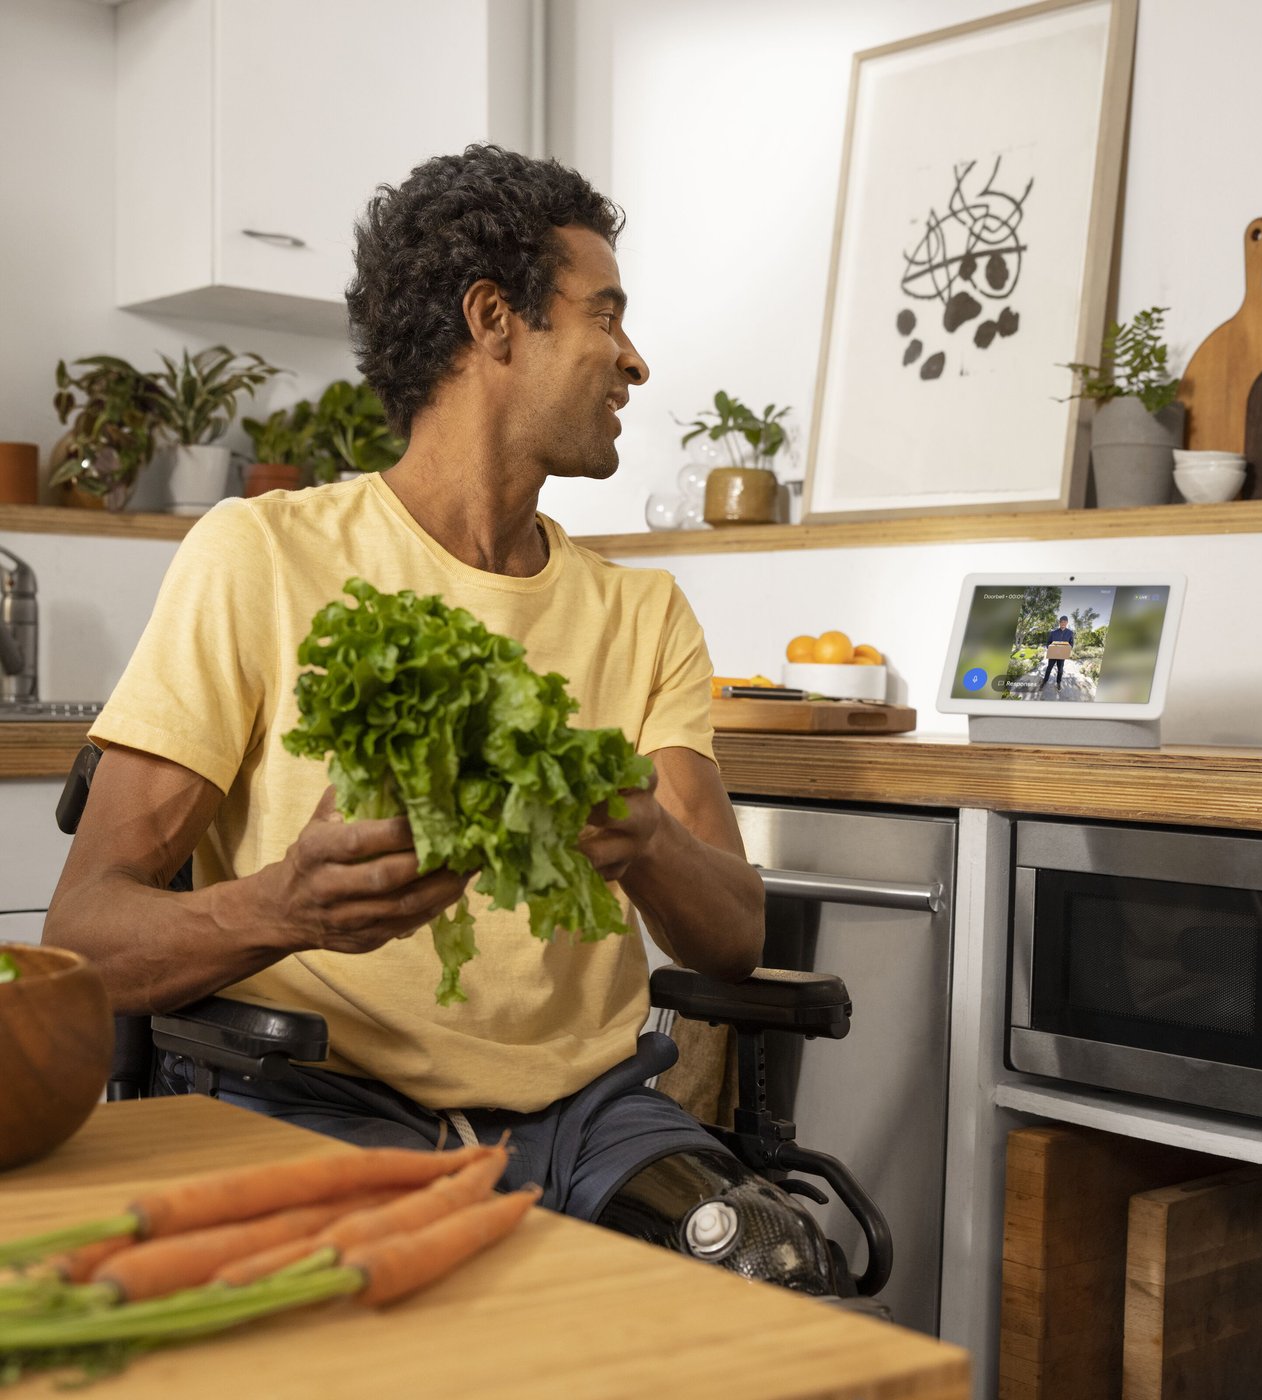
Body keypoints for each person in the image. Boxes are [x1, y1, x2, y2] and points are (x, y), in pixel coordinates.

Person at [43, 146, 842, 1293]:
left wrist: (648, 840)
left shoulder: (642, 610)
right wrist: (284, 905)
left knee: (775, 1272)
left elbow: (730, 935)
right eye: (604, 317)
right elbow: (83, 935)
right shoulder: (259, 556)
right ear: (492, 321)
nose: (634, 358)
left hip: (590, 1120)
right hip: (318, 1099)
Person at [1040, 615, 1075, 691]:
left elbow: (1071, 644)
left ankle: (1058, 682)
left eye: (1065, 622)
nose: (1063, 624)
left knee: (1060, 670)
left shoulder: (1070, 633)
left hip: (1062, 655)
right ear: (1059, 623)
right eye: (1062, 622)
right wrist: (1050, 648)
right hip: (1053, 655)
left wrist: (1068, 649)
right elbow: (1048, 643)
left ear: (1067, 623)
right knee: (1049, 668)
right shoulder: (1053, 632)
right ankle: (1045, 681)